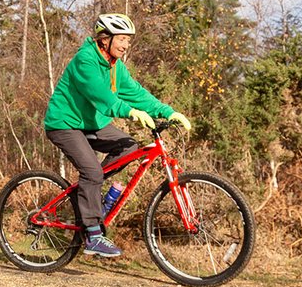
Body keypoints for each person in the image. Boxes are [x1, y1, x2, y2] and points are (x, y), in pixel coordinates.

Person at [43, 13, 191, 258]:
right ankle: (92, 235)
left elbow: (136, 92)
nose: (125, 45)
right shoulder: (86, 60)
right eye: (121, 39)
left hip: (92, 123)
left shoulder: (115, 66)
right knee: (91, 171)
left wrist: (168, 111)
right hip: (64, 123)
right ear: (105, 39)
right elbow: (103, 98)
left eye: (128, 40)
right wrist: (130, 112)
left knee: (129, 147)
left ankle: (91, 196)